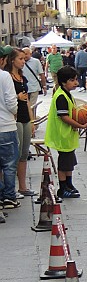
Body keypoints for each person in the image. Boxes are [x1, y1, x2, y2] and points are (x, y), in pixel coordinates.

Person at [44, 65, 87, 199]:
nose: (76, 83)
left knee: (70, 162)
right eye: (72, 80)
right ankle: (63, 187)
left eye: (76, 79)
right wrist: (80, 125)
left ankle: (69, 184)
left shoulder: (66, 94)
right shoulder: (60, 96)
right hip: (62, 135)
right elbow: (64, 117)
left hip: (68, 135)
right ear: (64, 81)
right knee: (64, 164)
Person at [6, 48, 35, 198]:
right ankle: (12, 188)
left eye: (24, 59)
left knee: (24, 153)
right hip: (14, 118)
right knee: (15, 154)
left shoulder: (22, 77)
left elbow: (28, 100)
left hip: (24, 116)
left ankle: (23, 186)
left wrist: (32, 119)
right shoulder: (7, 77)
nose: (23, 61)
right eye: (21, 59)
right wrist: (17, 97)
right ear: (12, 60)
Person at [0, 46, 19, 217]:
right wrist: (14, 113)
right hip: (5, 126)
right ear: (2, 60)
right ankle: (9, 197)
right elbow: (11, 101)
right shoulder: (4, 76)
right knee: (9, 164)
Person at [22, 47, 46, 120]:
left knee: (32, 106)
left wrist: (44, 86)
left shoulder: (36, 61)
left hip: (34, 88)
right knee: (25, 107)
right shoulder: (20, 62)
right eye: (23, 54)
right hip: (24, 88)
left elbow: (41, 74)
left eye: (26, 54)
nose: (25, 56)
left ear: (30, 54)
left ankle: (32, 122)